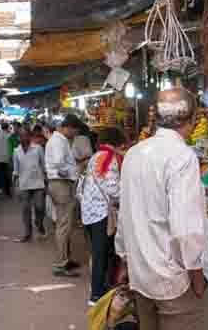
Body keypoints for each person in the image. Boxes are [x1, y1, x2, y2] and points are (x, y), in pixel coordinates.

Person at [115, 88, 208, 330]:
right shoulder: (182, 156)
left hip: (141, 277)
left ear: (156, 118)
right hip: (176, 283)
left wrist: (126, 261)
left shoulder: (133, 154)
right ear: (192, 119)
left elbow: (124, 216)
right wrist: (198, 278)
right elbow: (186, 228)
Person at [77, 127, 126, 306]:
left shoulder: (97, 156)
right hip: (101, 213)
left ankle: (101, 287)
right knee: (101, 254)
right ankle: (96, 294)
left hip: (89, 211)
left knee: (100, 252)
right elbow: (113, 189)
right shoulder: (109, 158)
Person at [45, 114, 83, 277]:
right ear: (68, 128)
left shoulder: (59, 140)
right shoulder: (58, 141)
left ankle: (66, 259)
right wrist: (75, 170)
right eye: (75, 131)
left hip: (60, 183)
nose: (75, 135)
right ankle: (61, 264)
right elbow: (60, 165)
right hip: (61, 184)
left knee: (66, 223)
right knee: (63, 224)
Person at [12, 127, 47, 242]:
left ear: (30, 136)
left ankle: (39, 222)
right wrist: (16, 185)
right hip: (24, 184)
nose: (24, 138)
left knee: (40, 206)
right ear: (19, 137)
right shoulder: (16, 151)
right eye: (21, 136)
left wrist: (46, 179)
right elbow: (16, 170)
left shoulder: (38, 149)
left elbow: (43, 165)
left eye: (26, 135)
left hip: (38, 183)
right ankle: (27, 232)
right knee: (25, 209)